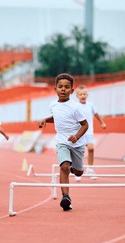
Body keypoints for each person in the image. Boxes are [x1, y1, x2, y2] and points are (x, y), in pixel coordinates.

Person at [38, 73, 88, 211]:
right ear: (55, 89)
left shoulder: (75, 107)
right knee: (64, 167)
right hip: (62, 141)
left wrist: (76, 137)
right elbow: (58, 117)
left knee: (78, 173)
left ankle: (75, 168)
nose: (63, 89)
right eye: (60, 87)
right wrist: (45, 120)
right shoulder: (53, 105)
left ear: (72, 91)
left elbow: (85, 125)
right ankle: (65, 197)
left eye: (67, 87)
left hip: (77, 143)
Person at [74, 85, 107, 181]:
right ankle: (77, 171)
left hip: (89, 132)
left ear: (87, 95)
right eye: (80, 94)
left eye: (84, 94)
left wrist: (102, 122)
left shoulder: (90, 105)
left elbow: (96, 114)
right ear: (77, 96)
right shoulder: (76, 106)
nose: (83, 96)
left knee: (91, 149)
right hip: (79, 132)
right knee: (78, 152)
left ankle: (90, 169)